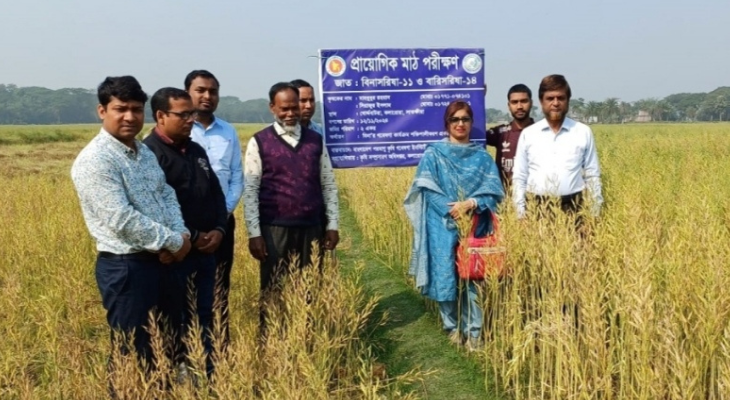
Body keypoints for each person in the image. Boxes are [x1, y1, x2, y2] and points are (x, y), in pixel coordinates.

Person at [70, 76, 192, 378]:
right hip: (127, 268)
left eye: (137, 109)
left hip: (164, 262)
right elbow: (122, 219)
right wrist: (175, 243)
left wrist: (181, 235)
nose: (130, 117)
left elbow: (166, 194)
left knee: (166, 346)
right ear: (102, 111)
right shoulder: (95, 160)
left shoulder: (143, 152)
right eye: (120, 109)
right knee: (132, 354)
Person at [404, 100, 504, 350]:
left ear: (472, 123)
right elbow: (426, 187)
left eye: (465, 119)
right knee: (445, 275)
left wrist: (470, 204)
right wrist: (452, 210)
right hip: (441, 224)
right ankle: (452, 328)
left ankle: (475, 333)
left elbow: (493, 192)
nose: (460, 124)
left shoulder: (481, 157)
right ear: (447, 123)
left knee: (474, 278)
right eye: (455, 119)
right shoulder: (434, 154)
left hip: (476, 227)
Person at [143, 87, 228, 377]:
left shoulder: (195, 150)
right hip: (175, 252)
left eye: (191, 114)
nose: (191, 119)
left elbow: (216, 192)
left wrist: (218, 228)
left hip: (206, 250)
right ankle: (175, 372)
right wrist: (190, 235)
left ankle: (204, 370)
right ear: (160, 116)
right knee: (173, 315)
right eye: (183, 114)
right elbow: (155, 208)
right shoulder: (149, 154)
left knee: (204, 313)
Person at [243, 82, 340, 332]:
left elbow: (328, 184)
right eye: (284, 108)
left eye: (294, 107)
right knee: (274, 288)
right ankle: (271, 344)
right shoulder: (260, 142)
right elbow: (251, 191)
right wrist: (254, 234)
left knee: (309, 288)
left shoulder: (315, 141)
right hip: (275, 230)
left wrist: (332, 225)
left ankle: (306, 338)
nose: (290, 113)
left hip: (311, 228)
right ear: (272, 108)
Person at [185, 70, 243, 346]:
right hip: (185, 227)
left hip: (222, 225)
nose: (207, 96)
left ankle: (220, 348)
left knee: (220, 285)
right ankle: (189, 349)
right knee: (185, 289)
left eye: (213, 91)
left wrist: (222, 219)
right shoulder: (177, 131)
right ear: (188, 93)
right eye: (200, 90)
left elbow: (237, 177)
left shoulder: (228, 131)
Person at [512, 74, 603, 223]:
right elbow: (520, 178)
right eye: (550, 98)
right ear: (541, 102)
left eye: (561, 98)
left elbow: (592, 175)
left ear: (567, 101)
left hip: (574, 209)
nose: (555, 103)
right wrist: (521, 215)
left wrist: (593, 214)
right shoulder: (529, 134)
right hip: (537, 209)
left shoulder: (582, 132)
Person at [486, 84, 535, 188]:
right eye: (514, 102)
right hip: (506, 200)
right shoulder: (500, 132)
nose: (519, 106)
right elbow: (472, 134)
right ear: (509, 105)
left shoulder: (542, 133)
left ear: (531, 103)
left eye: (524, 101)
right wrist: (477, 97)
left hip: (534, 199)